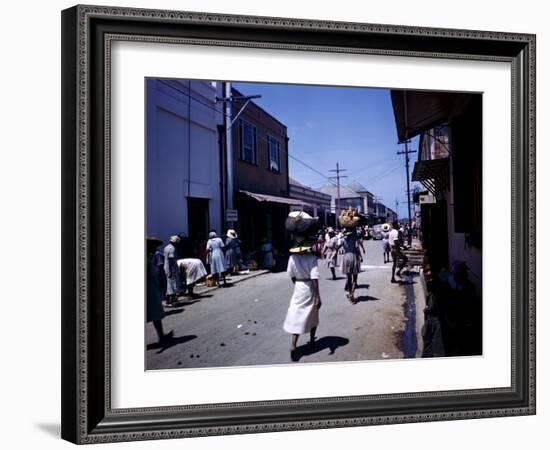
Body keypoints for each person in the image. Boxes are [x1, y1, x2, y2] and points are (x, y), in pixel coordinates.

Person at [283, 211, 322, 362]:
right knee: (313, 314)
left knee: (296, 315)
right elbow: (315, 277)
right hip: (309, 288)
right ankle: (312, 341)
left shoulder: (292, 257)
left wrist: (298, 283)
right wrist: (318, 296)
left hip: (298, 288)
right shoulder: (312, 258)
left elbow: (291, 275)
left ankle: (294, 344)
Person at [146, 237, 173, 344]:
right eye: (153, 246)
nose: (155, 249)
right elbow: (152, 272)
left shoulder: (148, 257)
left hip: (150, 286)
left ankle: (161, 335)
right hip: (148, 288)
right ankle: (161, 336)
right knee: (154, 310)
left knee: (155, 313)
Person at [339, 208, 362, 303]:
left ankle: (349, 293)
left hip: (346, 257)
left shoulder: (343, 239)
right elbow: (360, 234)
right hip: (354, 256)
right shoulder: (355, 236)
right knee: (355, 277)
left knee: (348, 277)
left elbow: (338, 246)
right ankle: (352, 294)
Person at [164, 235, 182, 306]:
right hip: (171, 268)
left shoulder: (166, 247)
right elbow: (171, 260)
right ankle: (173, 300)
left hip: (167, 267)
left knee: (169, 284)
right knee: (173, 285)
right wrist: (171, 271)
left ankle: (168, 301)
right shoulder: (172, 249)